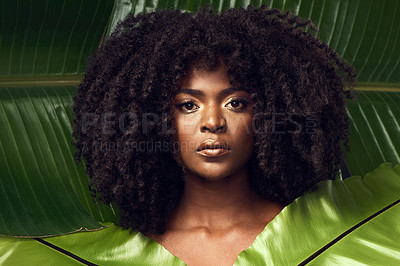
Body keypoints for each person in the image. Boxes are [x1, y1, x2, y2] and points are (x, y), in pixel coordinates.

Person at [72, 5, 356, 265]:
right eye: (188, 105)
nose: (212, 122)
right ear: (158, 118)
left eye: (235, 103)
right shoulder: (125, 253)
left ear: (268, 114)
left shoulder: (322, 237)